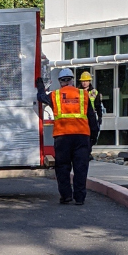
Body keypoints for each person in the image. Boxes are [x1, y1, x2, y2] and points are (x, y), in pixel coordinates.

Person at [36, 68, 92, 205]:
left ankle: (66, 196)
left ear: (60, 81)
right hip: (81, 136)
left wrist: (40, 86)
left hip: (62, 137)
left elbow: (41, 97)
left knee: (62, 167)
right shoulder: (83, 94)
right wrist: (93, 139)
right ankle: (80, 198)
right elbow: (92, 118)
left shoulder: (55, 95)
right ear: (72, 80)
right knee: (80, 168)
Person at [78, 71, 104, 148]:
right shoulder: (77, 91)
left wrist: (100, 117)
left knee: (92, 135)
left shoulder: (94, 92)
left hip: (91, 117)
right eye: (83, 81)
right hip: (80, 117)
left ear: (89, 81)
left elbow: (98, 105)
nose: (84, 83)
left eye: (86, 81)